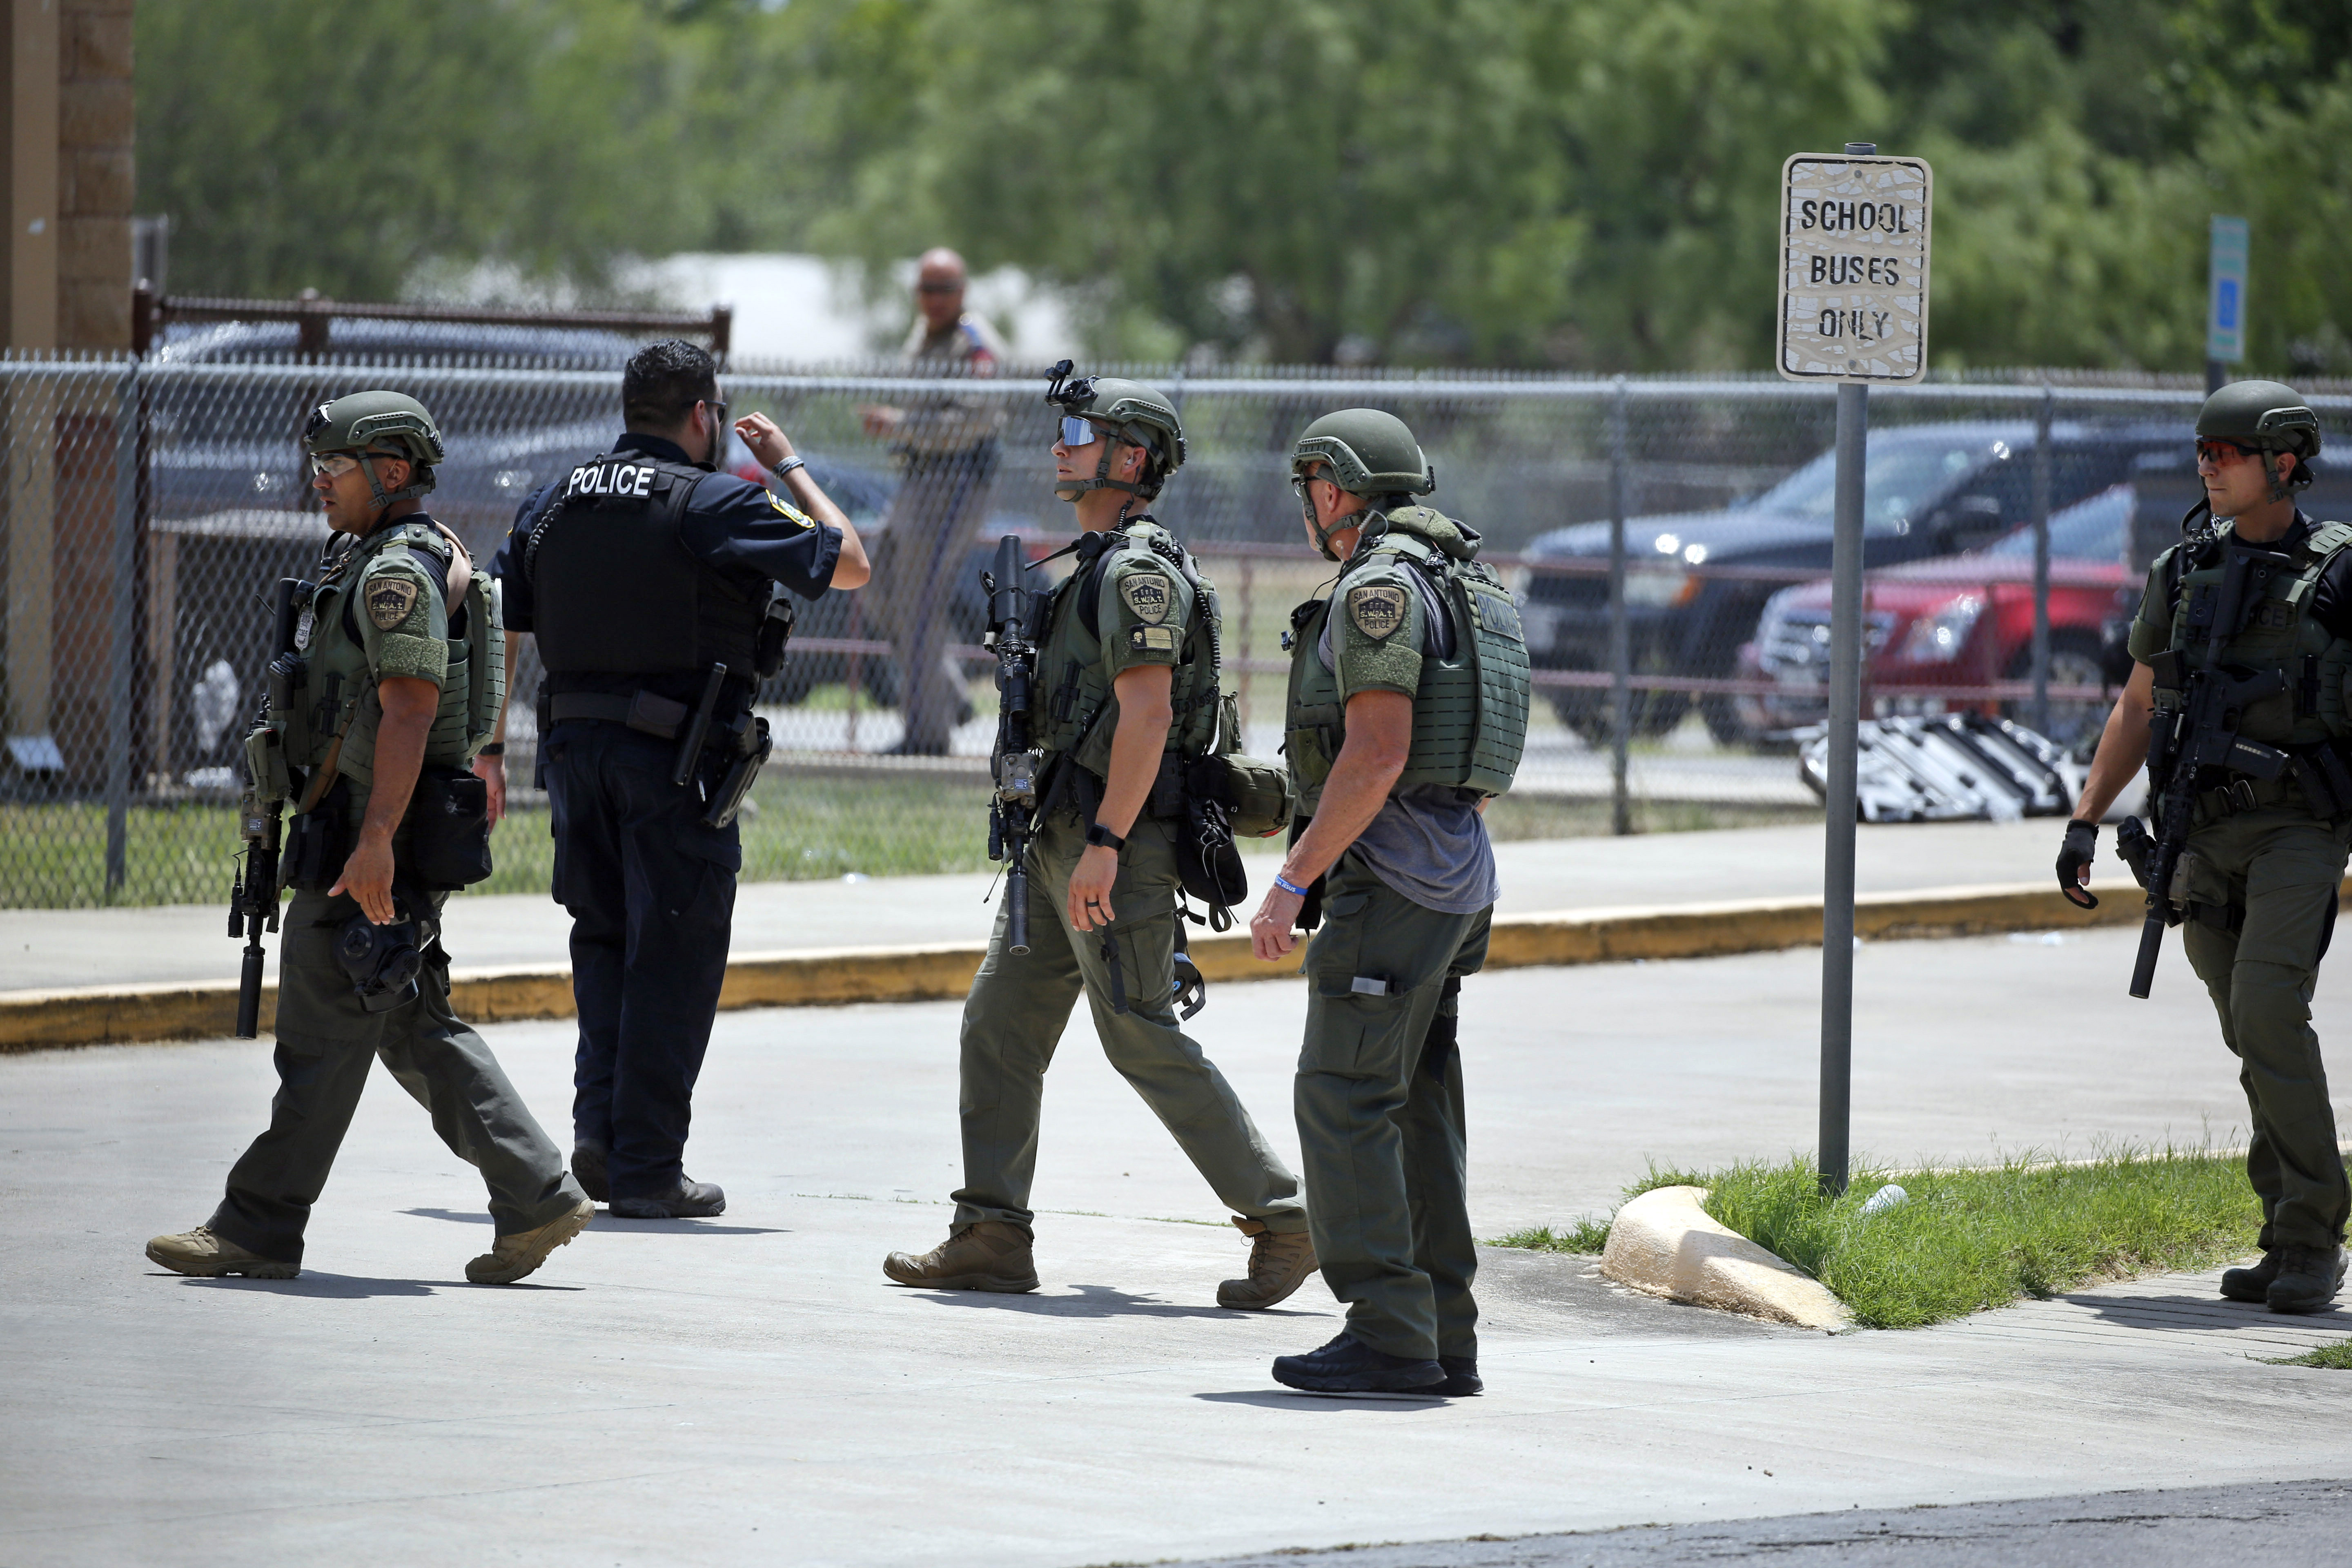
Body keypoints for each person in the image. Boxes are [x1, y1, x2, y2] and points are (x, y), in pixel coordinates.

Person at [884, 366, 1315, 1306]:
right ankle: (991, 1230)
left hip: (1108, 838)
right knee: (998, 1027)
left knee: (1140, 1037)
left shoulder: (1135, 572)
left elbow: (1147, 712)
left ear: (1127, 457)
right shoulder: (1095, 559)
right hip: (1059, 832)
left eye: (1077, 431)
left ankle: (1282, 1218)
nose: (1057, 444)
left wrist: (1109, 842)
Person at [146, 392, 592, 1286]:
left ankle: (260, 1225)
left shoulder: (398, 573)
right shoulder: (374, 557)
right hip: (360, 828)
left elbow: (410, 708)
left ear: (391, 472)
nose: (317, 483)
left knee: (321, 1032)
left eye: (333, 467)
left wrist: (376, 839)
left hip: (368, 836)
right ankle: (537, 1193)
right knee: (410, 1023)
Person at [488, 341, 870, 1219]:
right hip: (673, 765)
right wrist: (790, 465)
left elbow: (502, 620)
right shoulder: (714, 500)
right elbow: (848, 561)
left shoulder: (553, 503)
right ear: (703, 416)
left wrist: (486, 751)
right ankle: (651, 1168)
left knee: (603, 943)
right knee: (675, 955)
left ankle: (600, 1136)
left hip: (572, 759)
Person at [1249, 408, 1530, 1395]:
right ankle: (1440, 1333)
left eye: (1309, 487)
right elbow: (1480, 756)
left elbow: (1375, 751)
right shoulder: (1464, 581)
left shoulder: (1378, 585)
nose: (1307, 506)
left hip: (1396, 879)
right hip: (1458, 871)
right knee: (1414, 1105)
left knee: (1340, 1095)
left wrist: (1290, 882)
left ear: (1333, 486)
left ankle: (1386, 1327)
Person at [2059, 379, 2350, 1315]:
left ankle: (2311, 1232)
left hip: (2300, 823)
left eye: (2221, 453)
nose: (2204, 468)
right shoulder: (2181, 568)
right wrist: (2083, 815)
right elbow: (2137, 701)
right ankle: (2284, 1229)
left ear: (2281, 461)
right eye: (2200, 453)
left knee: (2267, 1008)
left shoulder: (2339, 571)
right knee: (2245, 1028)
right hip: (2201, 830)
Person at [858, 247, 1010, 755]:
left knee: (919, 602)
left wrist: (901, 424)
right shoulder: (922, 334)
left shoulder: (974, 343)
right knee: (875, 584)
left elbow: (973, 421)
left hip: (956, 480)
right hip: (916, 478)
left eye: (945, 289)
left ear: (962, 292)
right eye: (927, 289)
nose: (935, 299)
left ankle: (926, 735)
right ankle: (947, 695)